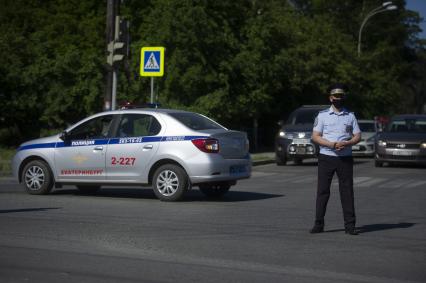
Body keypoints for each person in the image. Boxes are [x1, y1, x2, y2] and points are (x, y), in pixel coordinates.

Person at [310, 83, 361, 235]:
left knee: (347, 192)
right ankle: (318, 224)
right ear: (330, 98)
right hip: (327, 157)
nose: (338, 98)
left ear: (343, 97)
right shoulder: (322, 115)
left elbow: (357, 136)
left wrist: (348, 142)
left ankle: (350, 226)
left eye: (341, 96)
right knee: (323, 192)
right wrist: (332, 144)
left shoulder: (350, 116)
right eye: (335, 96)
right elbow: (315, 137)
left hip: (345, 158)